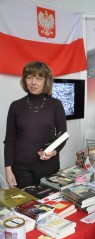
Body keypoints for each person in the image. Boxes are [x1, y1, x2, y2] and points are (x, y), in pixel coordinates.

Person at [4, 61, 67, 189]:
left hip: (49, 167)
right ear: (24, 80)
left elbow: (63, 135)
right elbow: (10, 140)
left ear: (46, 81)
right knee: (25, 207)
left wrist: (54, 151)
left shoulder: (56, 105)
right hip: (21, 169)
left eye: (38, 78)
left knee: (51, 206)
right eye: (29, 77)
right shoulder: (15, 106)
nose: (33, 83)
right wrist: (8, 169)